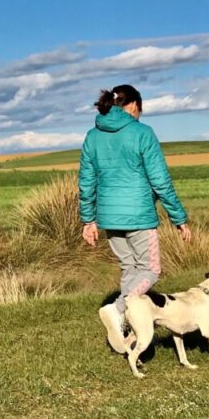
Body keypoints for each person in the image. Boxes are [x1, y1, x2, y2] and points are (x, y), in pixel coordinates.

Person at [78, 84, 191, 353]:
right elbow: (160, 181)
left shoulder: (92, 136)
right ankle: (118, 310)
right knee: (151, 270)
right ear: (133, 106)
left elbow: (86, 181)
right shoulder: (143, 133)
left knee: (130, 268)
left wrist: (88, 221)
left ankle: (124, 329)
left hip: (108, 217)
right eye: (140, 110)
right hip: (139, 216)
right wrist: (179, 218)